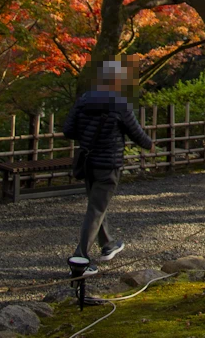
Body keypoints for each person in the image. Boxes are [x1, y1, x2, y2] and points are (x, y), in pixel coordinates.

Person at [63, 60, 153, 275]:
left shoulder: (84, 99)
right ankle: (80, 259)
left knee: (97, 205)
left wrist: (87, 136)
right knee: (95, 209)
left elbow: (68, 130)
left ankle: (108, 244)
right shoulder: (119, 103)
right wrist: (149, 145)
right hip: (108, 164)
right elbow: (135, 132)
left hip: (87, 162)